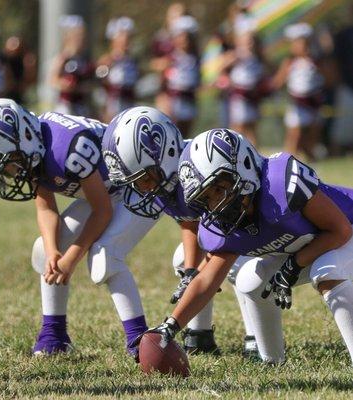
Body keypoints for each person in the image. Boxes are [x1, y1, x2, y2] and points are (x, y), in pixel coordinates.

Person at [0, 98, 161, 358]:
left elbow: (102, 211)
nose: (11, 174)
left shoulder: (66, 147)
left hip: (139, 186)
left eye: (9, 164)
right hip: (106, 192)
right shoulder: (34, 145)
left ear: (23, 139)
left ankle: (139, 340)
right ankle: (54, 334)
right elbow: (46, 208)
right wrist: (54, 251)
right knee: (43, 250)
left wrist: (71, 258)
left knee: (105, 253)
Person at [141, 128, 353, 365]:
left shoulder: (279, 186)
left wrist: (294, 264)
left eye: (219, 189)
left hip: (346, 232)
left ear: (244, 167)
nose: (215, 203)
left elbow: (340, 231)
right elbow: (205, 280)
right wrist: (171, 326)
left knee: (326, 268)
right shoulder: (225, 221)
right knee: (249, 281)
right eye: (206, 197)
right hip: (314, 245)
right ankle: (272, 361)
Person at [101, 106, 221, 354]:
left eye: (143, 179)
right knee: (185, 261)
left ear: (165, 153)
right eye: (134, 183)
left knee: (243, 271)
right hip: (227, 235)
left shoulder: (199, 168)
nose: (142, 188)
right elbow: (190, 221)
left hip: (256, 233)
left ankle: (257, 342)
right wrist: (191, 270)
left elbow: (232, 232)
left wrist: (204, 266)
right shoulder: (167, 176)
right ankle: (199, 335)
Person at [272, 23, 324, 160]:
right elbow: (277, 83)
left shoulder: (316, 61)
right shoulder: (289, 62)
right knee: (294, 135)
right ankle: (287, 160)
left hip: (314, 104)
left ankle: (311, 160)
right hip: (297, 105)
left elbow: (329, 79)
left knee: (312, 135)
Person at [155, 15, 200, 138]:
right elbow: (160, 74)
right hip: (173, 101)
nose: (184, 40)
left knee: (185, 136)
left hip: (189, 100)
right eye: (181, 36)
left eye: (188, 37)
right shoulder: (171, 57)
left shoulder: (195, 58)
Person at [49, 15, 95, 117]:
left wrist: (81, 87)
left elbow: (92, 83)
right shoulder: (62, 58)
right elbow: (53, 80)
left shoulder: (86, 60)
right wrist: (65, 85)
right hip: (65, 106)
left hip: (81, 106)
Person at [96, 17, 138, 123]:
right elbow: (99, 86)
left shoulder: (132, 61)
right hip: (112, 106)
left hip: (129, 104)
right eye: (124, 37)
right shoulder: (107, 60)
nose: (127, 41)